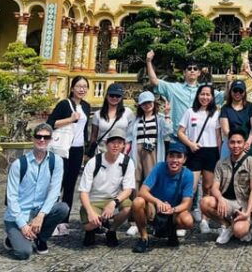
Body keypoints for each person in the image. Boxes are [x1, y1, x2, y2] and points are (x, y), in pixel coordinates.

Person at [3, 123, 68, 260]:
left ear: (51, 139)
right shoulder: (19, 164)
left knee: (62, 208)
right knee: (24, 253)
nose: (42, 140)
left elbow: (54, 192)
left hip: (39, 211)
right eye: (38, 136)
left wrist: (41, 216)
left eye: (46, 137)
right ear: (33, 139)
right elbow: (11, 198)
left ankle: (40, 239)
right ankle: (12, 237)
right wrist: (23, 226)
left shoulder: (56, 162)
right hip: (19, 214)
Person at [46, 75, 91, 236]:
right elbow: (51, 123)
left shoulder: (86, 106)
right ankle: (50, 220)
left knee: (71, 185)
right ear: (72, 88)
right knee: (57, 184)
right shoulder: (65, 104)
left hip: (77, 149)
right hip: (63, 149)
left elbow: (84, 130)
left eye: (85, 86)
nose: (82, 89)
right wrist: (70, 119)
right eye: (79, 86)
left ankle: (64, 221)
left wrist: (85, 150)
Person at [146, 50, 225, 141]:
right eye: (189, 68)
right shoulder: (174, 88)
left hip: (198, 137)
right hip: (177, 137)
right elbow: (154, 81)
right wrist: (148, 62)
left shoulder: (205, 91)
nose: (192, 70)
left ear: (199, 73)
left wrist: (229, 81)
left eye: (195, 69)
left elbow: (224, 96)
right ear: (184, 72)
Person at [131, 142, 195, 253]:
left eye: (179, 157)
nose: (174, 160)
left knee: (188, 220)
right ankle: (144, 237)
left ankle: (172, 231)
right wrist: (158, 202)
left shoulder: (188, 174)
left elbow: (187, 203)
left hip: (174, 211)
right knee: (137, 202)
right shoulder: (159, 167)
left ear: (184, 160)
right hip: (155, 208)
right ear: (167, 157)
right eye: (171, 156)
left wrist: (173, 210)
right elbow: (142, 191)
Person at [200, 129, 252, 244]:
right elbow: (214, 187)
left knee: (239, 231)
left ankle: (241, 226)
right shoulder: (221, 163)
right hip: (226, 202)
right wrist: (220, 199)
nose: (236, 145)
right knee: (205, 202)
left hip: (242, 204)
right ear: (228, 144)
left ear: (244, 144)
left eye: (239, 142)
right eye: (232, 142)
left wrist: (248, 212)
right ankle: (227, 226)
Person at [126, 91, 172, 237]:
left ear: (154, 104)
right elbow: (129, 138)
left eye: (150, 103)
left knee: (152, 185)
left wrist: (167, 115)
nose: (147, 106)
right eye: (144, 103)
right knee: (136, 183)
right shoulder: (135, 119)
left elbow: (168, 133)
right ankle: (135, 220)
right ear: (140, 105)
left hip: (153, 151)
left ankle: (152, 219)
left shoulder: (159, 119)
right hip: (137, 152)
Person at [78, 128, 135, 247]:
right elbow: (83, 191)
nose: (115, 146)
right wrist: (90, 212)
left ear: (124, 145)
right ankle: (92, 229)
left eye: (119, 143)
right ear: (106, 143)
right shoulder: (94, 162)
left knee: (128, 208)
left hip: (113, 198)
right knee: (90, 224)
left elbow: (128, 189)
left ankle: (111, 230)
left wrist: (114, 203)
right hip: (94, 200)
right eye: (112, 142)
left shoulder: (127, 162)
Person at [177, 84, 222, 234]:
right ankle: (183, 219)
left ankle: (205, 220)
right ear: (198, 95)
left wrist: (220, 154)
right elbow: (180, 132)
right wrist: (190, 144)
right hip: (195, 151)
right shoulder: (190, 112)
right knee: (191, 187)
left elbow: (218, 136)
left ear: (212, 97)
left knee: (208, 188)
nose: (205, 97)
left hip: (211, 151)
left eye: (208, 95)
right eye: (202, 94)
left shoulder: (216, 113)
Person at [90, 82, 134, 154]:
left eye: (117, 96)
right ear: (107, 96)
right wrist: (90, 151)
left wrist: (126, 148)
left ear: (121, 97)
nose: (114, 98)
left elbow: (130, 134)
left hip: (122, 150)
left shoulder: (128, 112)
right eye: (112, 95)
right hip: (102, 149)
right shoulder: (97, 114)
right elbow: (93, 136)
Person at [219, 76, 252, 159]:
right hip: (231, 143)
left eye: (241, 91)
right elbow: (226, 130)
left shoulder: (250, 107)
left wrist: (247, 143)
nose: (238, 93)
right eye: (235, 90)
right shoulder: (225, 108)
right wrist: (236, 144)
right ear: (231, 92)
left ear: (244, 92)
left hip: (247, 144)